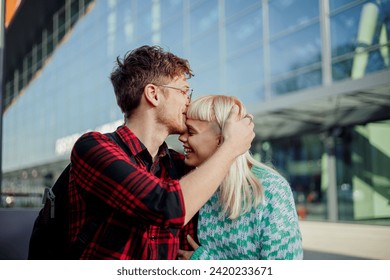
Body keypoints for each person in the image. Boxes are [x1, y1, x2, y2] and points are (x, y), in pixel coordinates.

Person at [68, 46, 255, 259]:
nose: (189, 101)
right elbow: (166, 206)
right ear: (153, 94)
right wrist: (231, 145)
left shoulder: (179, 165)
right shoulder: (93, 148)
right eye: (184, 91)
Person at [177, 95, 303, 260]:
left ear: (221, 139)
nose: (181, 138)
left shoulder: (271, 189)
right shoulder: (203, 186)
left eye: (191, 132)